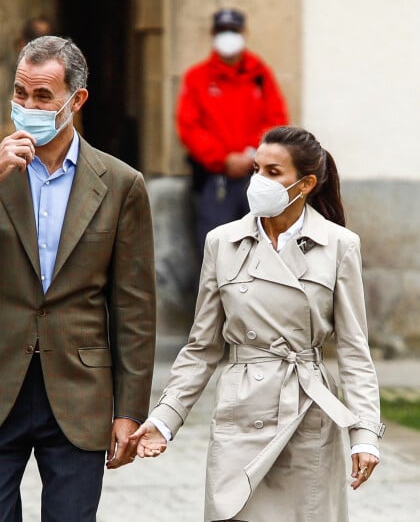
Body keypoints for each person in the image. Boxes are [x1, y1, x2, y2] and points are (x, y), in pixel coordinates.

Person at [0, 35, 156, 521]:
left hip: (78, 391)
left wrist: (129, 411)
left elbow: (134, 308)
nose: (27, 106)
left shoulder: (121, 184)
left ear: (76, 100)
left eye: (43, 96)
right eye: (20, 93)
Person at [131, 126, 385, 522]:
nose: (257, 182)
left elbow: (354, 351)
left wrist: (365, 435)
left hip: (307, 414)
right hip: (241, 415)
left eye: (273, 172)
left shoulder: (339, 245)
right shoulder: (222, 242)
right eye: (256, 169)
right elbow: (202, 348)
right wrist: (164, 419)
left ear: (306, 184)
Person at [177, 8, 289, 254]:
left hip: (259, 178)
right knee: (217, 249)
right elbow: (189, 126)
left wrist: (253, 155)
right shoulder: (197, 78)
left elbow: (276, 119)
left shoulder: (260, 74)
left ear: (244, 33)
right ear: (213, 34)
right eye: (222, 31)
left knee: (263, 248)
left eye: (234, 30)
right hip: (216, 180)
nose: (228, 36)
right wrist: (223, 159)